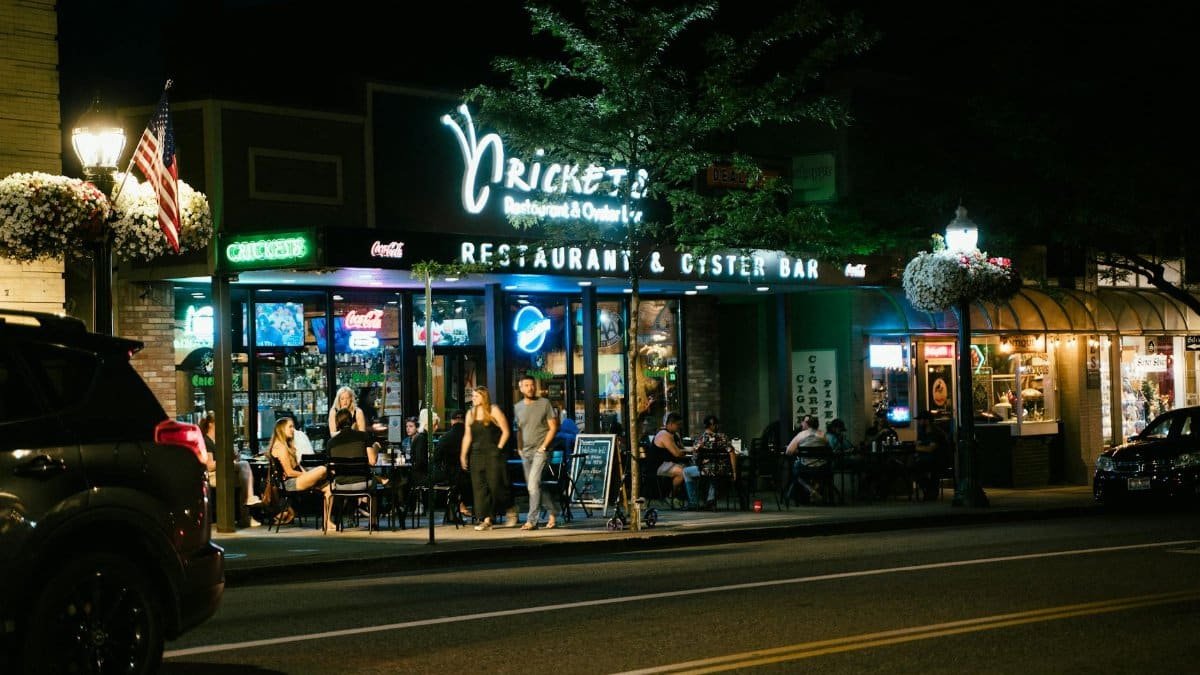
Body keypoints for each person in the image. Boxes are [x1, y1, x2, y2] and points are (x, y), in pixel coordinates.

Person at [460, 386, 512, 531]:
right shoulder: (470, 413)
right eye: (473, 396)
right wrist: (463, 455)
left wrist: (499, 448)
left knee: (495, 485)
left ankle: (509, 507)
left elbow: (506, 431)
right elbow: (467, 435)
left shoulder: (493, 410)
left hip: (493, 453)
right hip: (476, 454)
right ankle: (486, 518)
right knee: (479, 487)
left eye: (476, 396)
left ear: (484, 397)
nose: (473, 398)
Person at [514, 375, 559, 530]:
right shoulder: (518, 407)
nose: (530, 388)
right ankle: (553, 512)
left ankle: (532, 521)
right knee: (535, 486)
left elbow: (553, 427)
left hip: (541, 450)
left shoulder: (544, 403)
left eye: (532, 385)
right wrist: (519, 448)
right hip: (526, 452)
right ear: (521, 388)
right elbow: (519, 429)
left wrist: (544, 446)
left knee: (533, 485)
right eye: (526, 385)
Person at [200, 413, 260, 527]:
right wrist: (227, 461)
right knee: (244, 467)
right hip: (212, 475)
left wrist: (234, 456)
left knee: (245, 480)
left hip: (222, 471)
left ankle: (245, 514)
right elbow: (210, 465)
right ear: (211, 424)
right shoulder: (206, 441)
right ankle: (246, 511)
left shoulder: (220, 440)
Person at [269, 416, 331, 525]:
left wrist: (310, 476)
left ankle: (327, 522)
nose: (293, 429)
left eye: (293, 426)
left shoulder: (287, 445)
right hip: (290, 483)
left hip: (296, 480)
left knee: (329, 488)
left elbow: (296, 467)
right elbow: (289, 472)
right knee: (322, 469)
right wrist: (307, 474)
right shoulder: (280, 447)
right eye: (290, 427)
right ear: (282, 429)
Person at [325, 408, 380, 528]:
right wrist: (376, 447)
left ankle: (340, 519)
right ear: (352, 421)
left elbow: (332, 469)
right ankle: (373, 521)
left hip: (341, 485)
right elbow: (372, 461)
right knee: (375, 485)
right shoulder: (363, 436)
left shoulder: (331, 442)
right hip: (362, 483)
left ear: (337, 423)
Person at [653, 412, 701, 509]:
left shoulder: (675, 435)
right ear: (670, 424)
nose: (679, 427)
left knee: (688, 469)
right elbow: (677, 453)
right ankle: (671, 496)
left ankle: (689, 498)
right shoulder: (664, 435)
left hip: (670, 463)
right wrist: (690, 450)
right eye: (678, 425)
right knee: (683, 472)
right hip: (658, 465)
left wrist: (687, 450)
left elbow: (680, 448)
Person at [692, 414, 734, 510]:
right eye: (716, 424)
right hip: (721, 470)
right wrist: (734, 472)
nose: (717, 426)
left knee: (686, 471)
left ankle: (693, 502)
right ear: (712, 425)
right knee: (713, 474)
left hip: (704, 470)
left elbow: (695, 458)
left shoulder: (700, 439)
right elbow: (731, 452)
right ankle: (710, 499)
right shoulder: (723, 437)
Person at [785, 415, 829, 503]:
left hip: (804, 467)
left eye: (803, 423)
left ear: (807, 424)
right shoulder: (822, 435)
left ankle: (810, 489)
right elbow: (828, 448)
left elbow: (788, 451)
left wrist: (797, 450)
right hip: (821, 467)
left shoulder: (801, 435)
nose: (802, 424)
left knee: (796, 474)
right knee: (821, 475)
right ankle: (816, 489)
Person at [439, 409, 472, 519]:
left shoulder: (445, 438)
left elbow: (436, 458)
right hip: (470, 477)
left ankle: (453, 514)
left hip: (451, 477)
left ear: (452, 421)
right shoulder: (471, 436)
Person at [914, 411, 953, 501]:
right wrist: (920, 447)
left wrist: (918, 448)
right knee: (913, 467)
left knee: (917, 467)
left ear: (927, 421)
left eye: (920, 420)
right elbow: (920, 445)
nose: (919, 422)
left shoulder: (935, 432)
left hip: (938, 460)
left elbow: (930, 449)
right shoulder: (922, 431)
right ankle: (930, 490)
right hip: (927, 459)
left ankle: (930, 491)